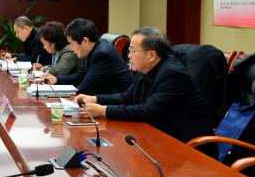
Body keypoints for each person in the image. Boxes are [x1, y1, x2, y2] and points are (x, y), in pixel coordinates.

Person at [75, 27, 212, 142]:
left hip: (184, 143)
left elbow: (149, 110)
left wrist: (103, 110)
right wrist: (95, 99)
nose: (129, 56)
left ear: (152, 55)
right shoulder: (145, 69)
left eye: (132, 50)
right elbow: (127, 97)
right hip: (157, 133)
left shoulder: (172, 74)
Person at [45, 18, 132, 95]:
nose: (71, 48)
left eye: (71, 43)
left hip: (116, 104)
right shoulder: (93, 49)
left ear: (85, 41)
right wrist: (57, 80)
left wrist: (57, 94)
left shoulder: (101, 54)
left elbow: (85, 89)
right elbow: (80, 76)